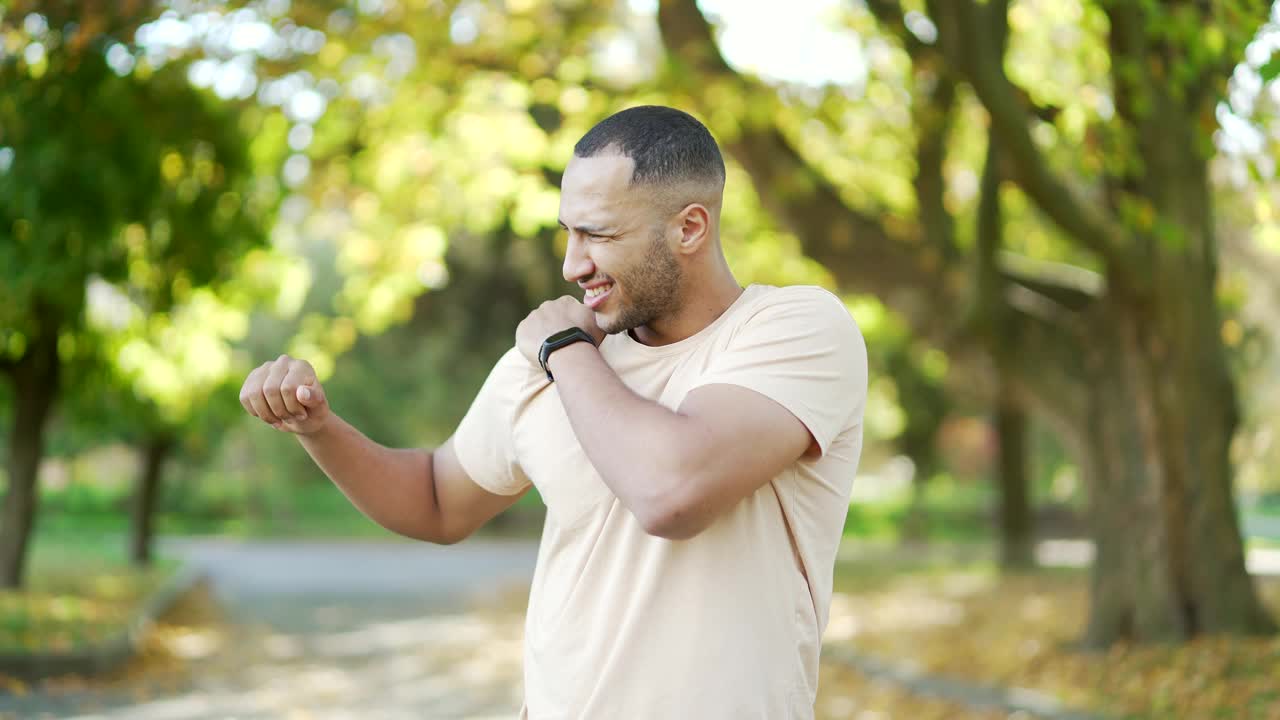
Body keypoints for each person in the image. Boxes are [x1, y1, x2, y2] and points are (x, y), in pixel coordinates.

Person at [238, 105, 867, 719]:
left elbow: (671, 491)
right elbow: (435, 498)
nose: (572, 264)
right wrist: (318, 428)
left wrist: (565, 351)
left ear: (690, 228)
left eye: (598, 234)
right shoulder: (547, 358)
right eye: (568, 231)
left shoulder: (794, 328)